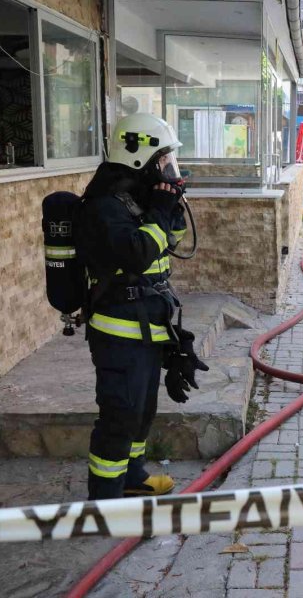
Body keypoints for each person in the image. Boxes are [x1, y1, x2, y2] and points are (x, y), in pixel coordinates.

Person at [77, 113, 208, 500]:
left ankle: (132, 477)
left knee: (143, 409)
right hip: (118, 333)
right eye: (162, 159)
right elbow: (137, 254)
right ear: (139, 156)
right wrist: (159, 211)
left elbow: (172, 242)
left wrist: (171, 205)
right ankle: (104, 499)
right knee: (120, 415)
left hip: (147, 327)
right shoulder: (104, 206)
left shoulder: (138, 198)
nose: (168, 167)